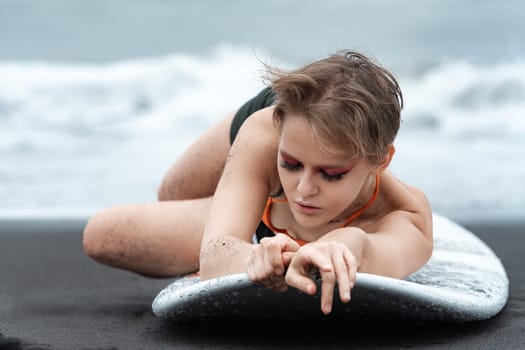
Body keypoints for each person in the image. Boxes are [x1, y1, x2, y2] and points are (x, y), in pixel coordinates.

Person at [82, 50, 433, 315]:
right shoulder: (267, 132)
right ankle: (255, 193)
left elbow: (366, 251)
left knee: (104, 233)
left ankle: (248, 207)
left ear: (381, 161)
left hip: (292, 183)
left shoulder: (407, 216)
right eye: (291, 165)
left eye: (331, 173)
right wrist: (250, 257)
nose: (304, 188)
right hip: (268, 126)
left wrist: (337, 246)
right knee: (172, 195)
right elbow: (215, 254)